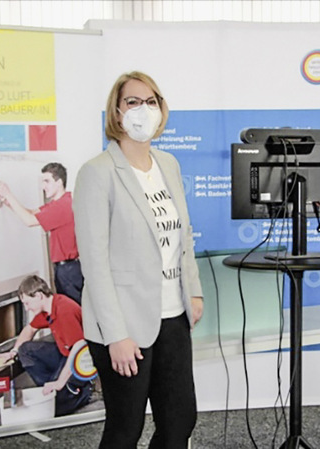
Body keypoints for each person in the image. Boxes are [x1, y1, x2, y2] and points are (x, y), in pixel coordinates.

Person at [72, 71, 205, 448]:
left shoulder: (169, 165)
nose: (142, 110)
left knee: (180, 421)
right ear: (117, 110)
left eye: (151, 102)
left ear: (162, 110)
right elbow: (94, 265)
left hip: (172, 316)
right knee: (125, 428)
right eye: (133, 101)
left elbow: (184, 235)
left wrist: (192, 290)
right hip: (123, 325)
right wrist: (117, 335)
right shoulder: (96, 173)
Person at [0, 275, 92, 416]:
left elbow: (79, 348)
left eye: (27, 303)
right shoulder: (47, 309)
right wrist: (12, 352)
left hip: (80, 360)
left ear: (38, 296)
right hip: (64, 354)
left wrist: (59, 383)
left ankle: (81, 393)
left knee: (57, 409)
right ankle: (50, 389)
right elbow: (29, 329)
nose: (27, 308)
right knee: (24, 350)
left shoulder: (63, 309)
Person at [0, 163, 84, 303]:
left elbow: (30, 221)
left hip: (68, 270)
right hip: (65, 269)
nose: (43, 186)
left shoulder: (63, 206)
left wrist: (8, 194)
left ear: (59, 182)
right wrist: (8, 202)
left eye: (47, 181)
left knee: (72, 311)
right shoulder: (58, 203)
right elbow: (31, 212)